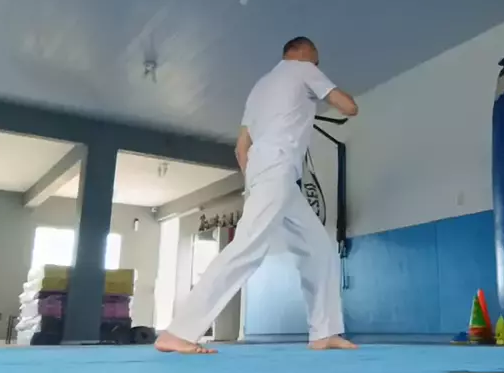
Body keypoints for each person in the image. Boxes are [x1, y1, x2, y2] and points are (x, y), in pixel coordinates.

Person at [154, 36, 359, 354]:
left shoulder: (260, 88)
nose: (317, 65)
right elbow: (349, 107)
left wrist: (256, 179)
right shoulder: (303, 69)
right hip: (277, 171)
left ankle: (324, 331)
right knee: (247, 248)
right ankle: (179, 331)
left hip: (274, 176)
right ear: (303, 53)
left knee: (319, 248)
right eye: (316, 59)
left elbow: (241, 148)